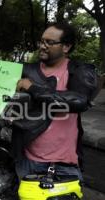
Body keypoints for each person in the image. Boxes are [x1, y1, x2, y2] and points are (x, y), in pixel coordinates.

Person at [13, 22, 97, 182]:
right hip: (28, 161)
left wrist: (33, 88)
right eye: (41, 41)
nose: (42, 46)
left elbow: (79, 101)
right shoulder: (26, 70)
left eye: (49, 42)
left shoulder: (79, 70)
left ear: (66, 47)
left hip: (63, 165)